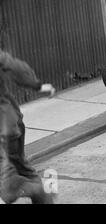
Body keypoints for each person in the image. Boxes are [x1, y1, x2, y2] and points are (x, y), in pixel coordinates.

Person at [0, 50, 55, 204]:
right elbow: (15, 66)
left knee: (6, 179)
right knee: (22, 168)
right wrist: (38, 86)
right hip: (11, 122)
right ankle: (42, 195)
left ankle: (24, 188)